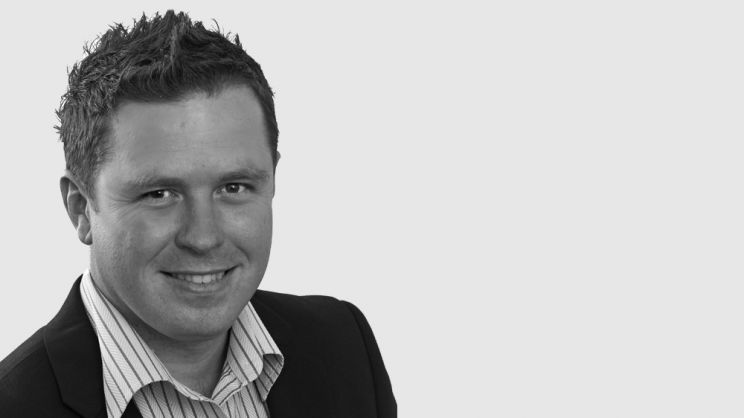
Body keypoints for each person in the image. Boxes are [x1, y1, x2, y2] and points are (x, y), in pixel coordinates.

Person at [0, 10, 395, 418]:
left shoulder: (343, 347)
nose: (203, 238)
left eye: (233, 188)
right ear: (81, 208)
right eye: (159, 194)